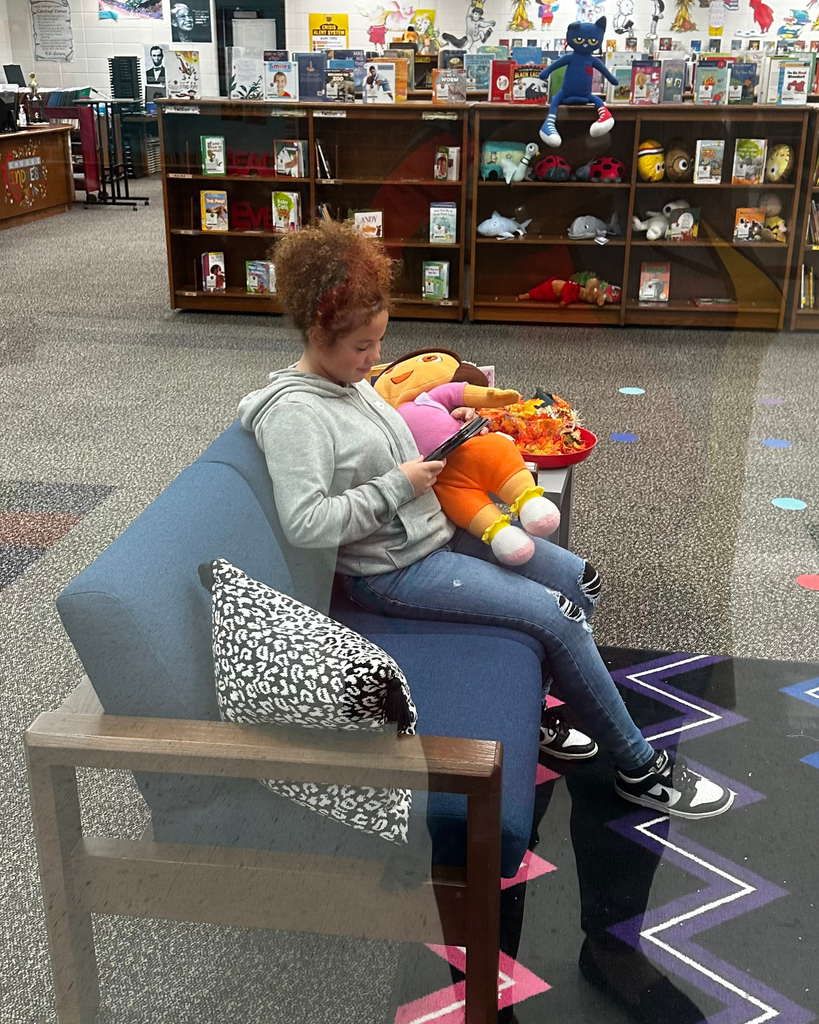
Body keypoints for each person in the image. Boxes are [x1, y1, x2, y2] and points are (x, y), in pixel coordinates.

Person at [237, 221, 734, 820]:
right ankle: (639, 768)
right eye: (362, 348)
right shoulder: (295, 416)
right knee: (560, 617)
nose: (375, 362)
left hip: (434, 534)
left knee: (577, 581)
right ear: (318, 331)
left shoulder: (350, 381)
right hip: (393, 571)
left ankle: (540, 710)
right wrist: (400, 484)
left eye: (377, 344)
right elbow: (306, 523)